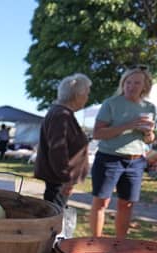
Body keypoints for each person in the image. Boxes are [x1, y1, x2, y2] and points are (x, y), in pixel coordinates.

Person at [90, 66, 156, 239]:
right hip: (109, 158)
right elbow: (97, 133)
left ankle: (120, 245)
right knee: (101, 202)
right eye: (128, 82)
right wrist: (129, 125)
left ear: (145, 86)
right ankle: (95, 244)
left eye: (136, 83)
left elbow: (149, 141)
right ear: (123, 83)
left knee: (127, 205)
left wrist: (148, 133)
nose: (131, 86)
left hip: (136, 161)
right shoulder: (111, 103)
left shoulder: (150, 108)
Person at [34, 73, 92, 209]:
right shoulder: (61, 115)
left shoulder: (62, 113)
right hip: (58, 181)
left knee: (55, 212)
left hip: (59, 180)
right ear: (78, 95)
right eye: (87, 94)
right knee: (55, 216)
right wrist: (66, 179)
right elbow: (57, 150)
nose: (87, 98)